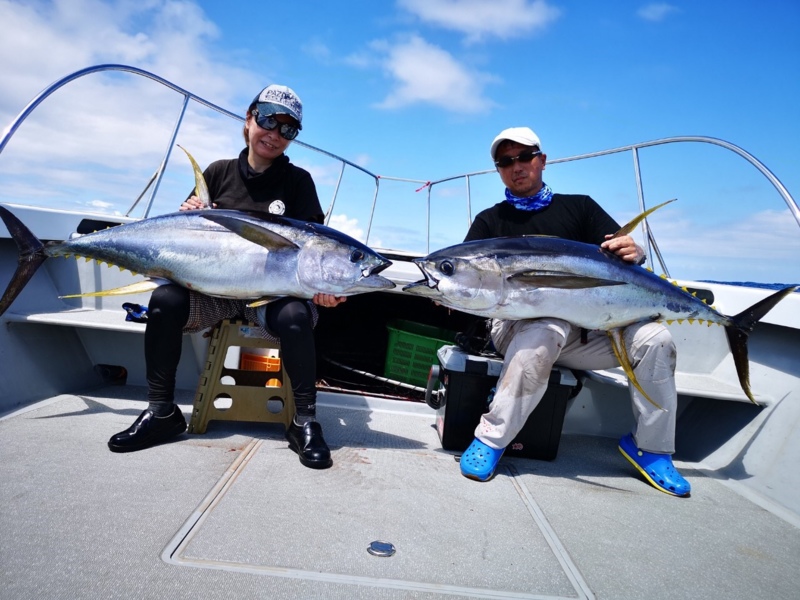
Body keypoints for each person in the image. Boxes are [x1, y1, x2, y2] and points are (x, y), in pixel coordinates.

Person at [108, 84, 344, 469]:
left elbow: (314, 251)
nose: (275, 133)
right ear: (249, 120)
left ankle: (304, 422)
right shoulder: (218, 173)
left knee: (296, 316)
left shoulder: (299, 183)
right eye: (268, 120)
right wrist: (189, 213)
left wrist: (323, 289)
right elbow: (181, 238)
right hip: (211, 289)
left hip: (269, 294)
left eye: (288, 129)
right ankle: (162, 412)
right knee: (164, 302)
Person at [458, 126, 690, 497]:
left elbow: (623, 257)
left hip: (591, 332)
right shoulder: (490, 221)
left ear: (542, 161)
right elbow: (467, 281)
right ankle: (491, 438)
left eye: (524, 157)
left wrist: (635, 250)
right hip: (518, 328)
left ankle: (651, 448)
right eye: (505, 161)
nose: (516, 166)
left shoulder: (580, 207)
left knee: (655, 339)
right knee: (545, 329)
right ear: (498, 170)